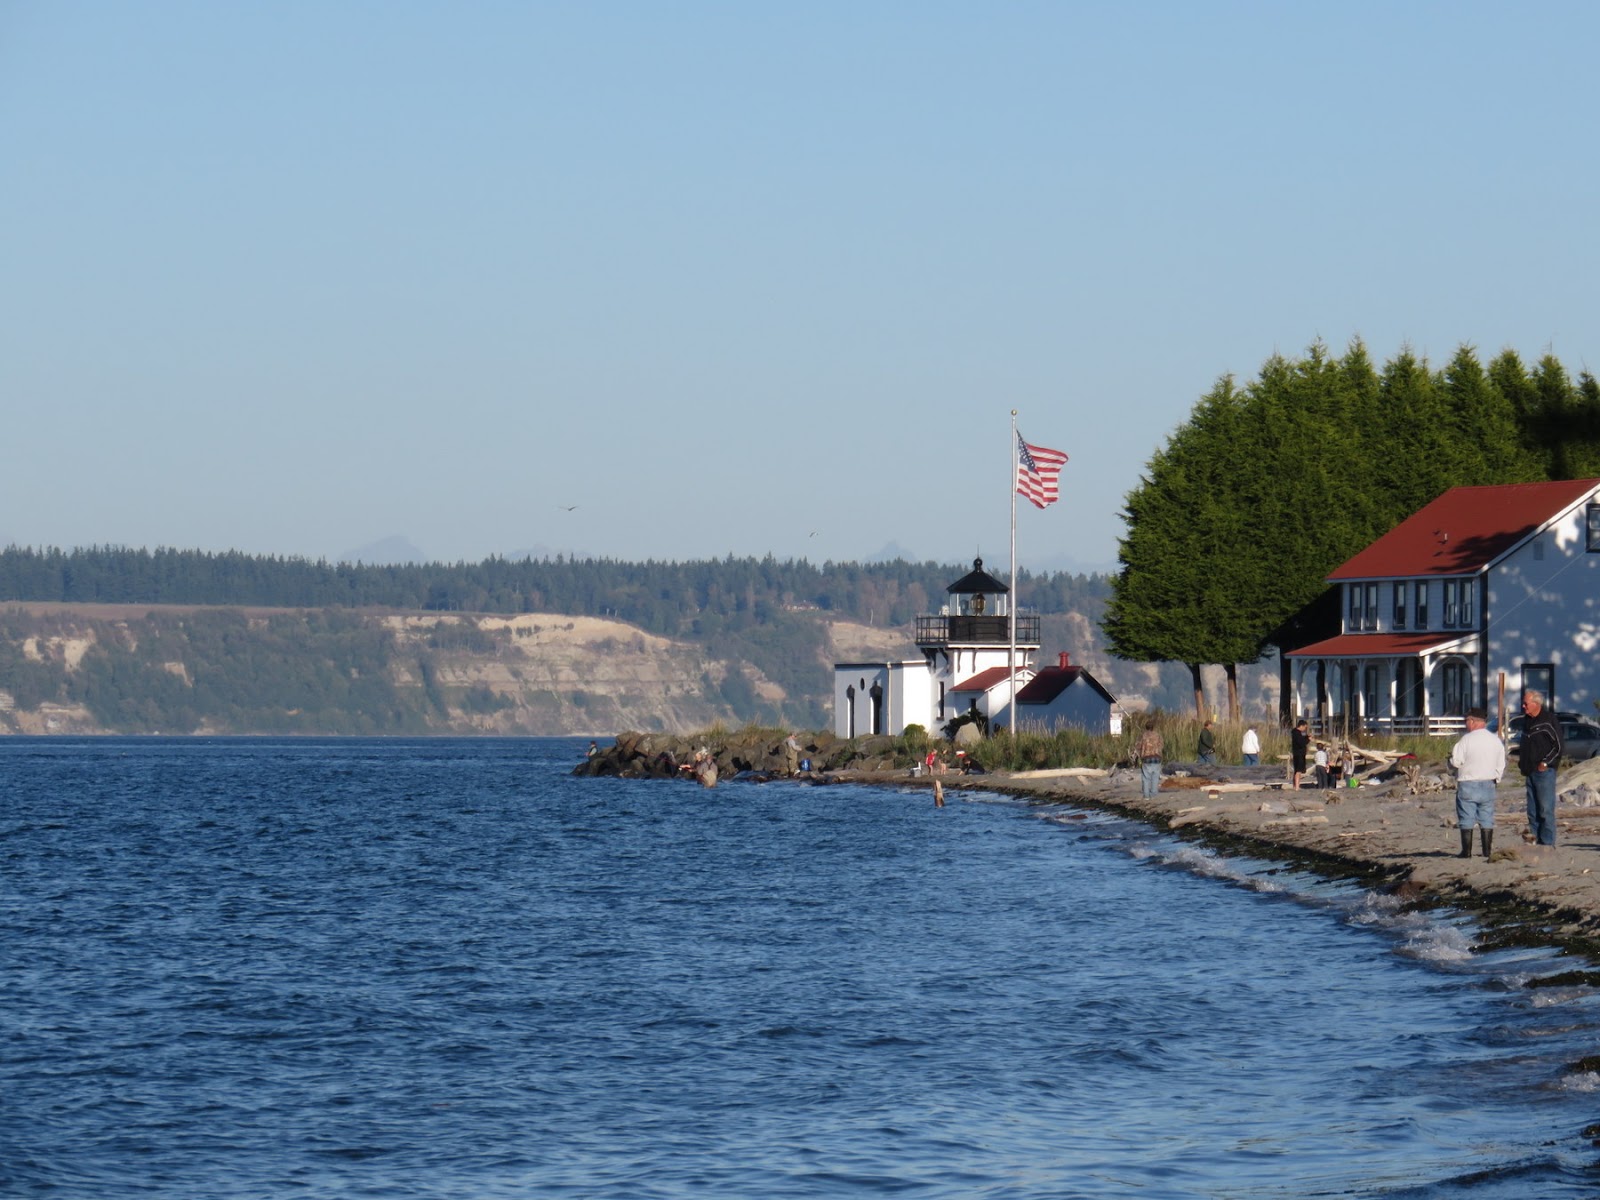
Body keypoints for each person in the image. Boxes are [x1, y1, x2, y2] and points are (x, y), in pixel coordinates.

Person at [1450, 706, 1506, 858]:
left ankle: (1466, 851)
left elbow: (1457, 762)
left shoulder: (1466, 740)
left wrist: (1450, 761)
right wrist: (1497, 778)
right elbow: (1501, 763)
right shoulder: (1495, 741)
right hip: (1488, 782)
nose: (1465, 724)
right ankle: (1487, 852)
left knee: (1467, 817)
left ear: (1473, 721)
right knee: (1486, 817)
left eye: (1466, 720)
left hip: (1468, 782)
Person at [1518, 689, 1564, 846]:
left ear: (1536, 703)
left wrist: (1545, 763)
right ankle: (1535, 842)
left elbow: (1558, 746)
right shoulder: (1526, 721)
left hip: (1544, 773)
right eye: (1523, 703)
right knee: (1532, 812)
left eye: (1526, 703)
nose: (1523, 706)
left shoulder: (1548, 720)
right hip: (1529, 771)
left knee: (1545, 810)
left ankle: (1548, 844)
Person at [1135, 719, 1163, 799]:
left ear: (1146, 727)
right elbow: (1161, 745)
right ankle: (1153, 795)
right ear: (1153, 727)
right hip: (1157, 758)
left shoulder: (1142, 736)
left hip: (1146, 758)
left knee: (1146, 778)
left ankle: (1146, 796)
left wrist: (1140, 754)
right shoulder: (1158, 735)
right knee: (1155, 777)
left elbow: (1137, 746)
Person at [1291, 719, 1310, 790]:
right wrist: (1308, 739)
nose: (1305, 729)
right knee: (1298, 771)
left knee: (1297, 771)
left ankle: (1295, 786)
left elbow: (1301, 740)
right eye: (1305, 727)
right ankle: (1297, 787)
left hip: (1297, 754)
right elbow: (1302, 743)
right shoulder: (1297, 733)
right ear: (1301, 726)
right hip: (1299, 754)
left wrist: (1307, 737)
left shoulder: (1295, 733)